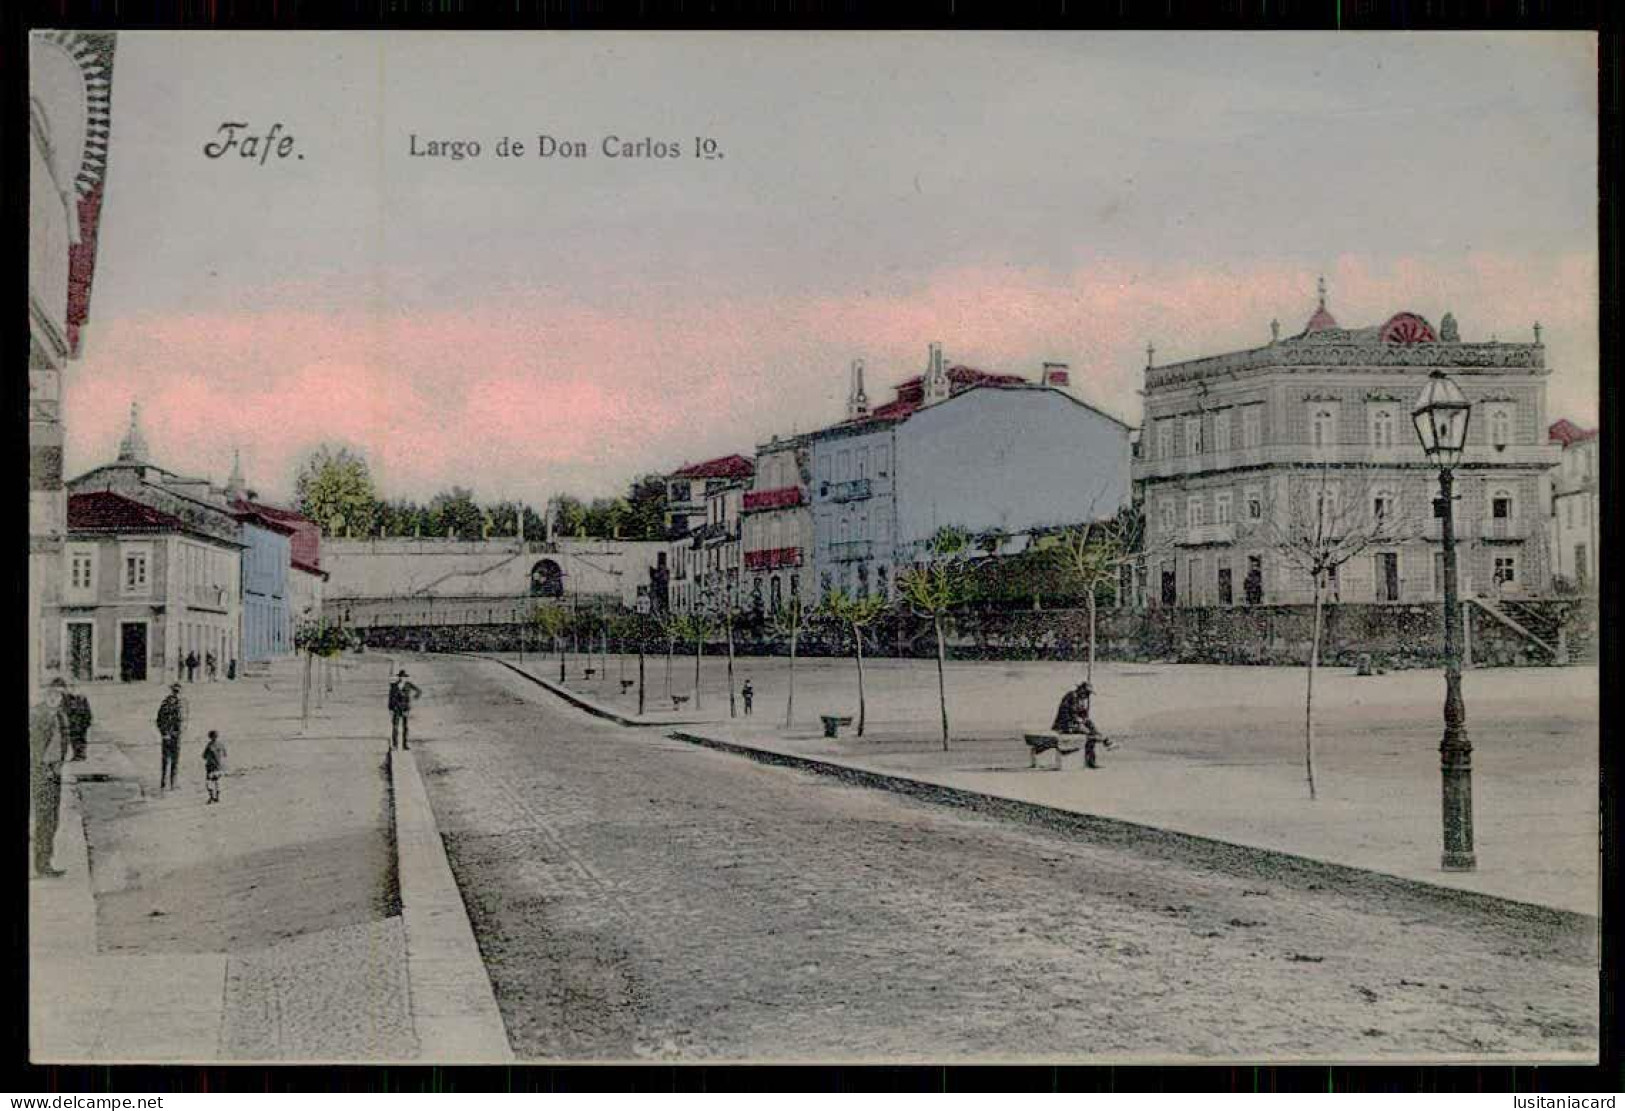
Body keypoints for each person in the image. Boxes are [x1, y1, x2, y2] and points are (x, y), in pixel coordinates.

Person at [30, 680, 71, 878]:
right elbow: (35, 748)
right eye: (52, 695)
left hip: (55, 772)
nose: (55, 698)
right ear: (45, 695)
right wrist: (41, 769)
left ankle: (47, 861)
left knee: (53, 820)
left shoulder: (60, 715)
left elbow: (64, 741)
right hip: (42, 773)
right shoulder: (36, 715)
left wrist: (59, 765)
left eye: (59, 695)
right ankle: (41, 864)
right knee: (43, 820)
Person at [1052, 679, 1112, 769]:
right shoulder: (1072, 696)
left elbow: (1083, 716)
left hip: (1073, 724)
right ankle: (1103, 741)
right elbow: (1072, 715)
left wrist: (1085, 718)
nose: (1087, 696)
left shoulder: (1080, 699)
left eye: (1088, 695)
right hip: (1064, 726)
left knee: (1091, 727)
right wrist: (1082, 722)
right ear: (1081, 690)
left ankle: (1102, 741)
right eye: (1087, 693)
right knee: (1090, 735)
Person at [156, 683, 187, 789]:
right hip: (168, 735)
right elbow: (159, 719)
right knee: (166, 760)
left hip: (176, 736)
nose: (176, 694)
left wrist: (181, 732)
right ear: (172, 691)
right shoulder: (166, 704)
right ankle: (164, 782)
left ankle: (173, 783)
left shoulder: (183, 703)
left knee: (175, 761)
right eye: (175, 691)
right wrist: (164, 733)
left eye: (178, 691)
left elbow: (184, 721)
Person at [388, 670, 423, 751]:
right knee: (395, 727)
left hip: (405, 709)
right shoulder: (394, 686)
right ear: (399, 677)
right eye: (401, 677)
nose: (402, 678)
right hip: (396, 708)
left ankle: (405, 744)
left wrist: (414, 698)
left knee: (405, 727)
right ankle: (395, 745)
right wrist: (390, 709)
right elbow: (390, 698)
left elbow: (419, 691)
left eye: (404, 677)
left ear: (405, 678)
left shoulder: (408, 685)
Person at [61, 679, 93, 762]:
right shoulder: (66, 698)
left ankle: (81, 755)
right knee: (74, 739)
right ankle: (77, 754)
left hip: (81, 722)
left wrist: (88, 721)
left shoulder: (82, 697)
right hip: (72, 722)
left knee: (81, 738)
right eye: (70, 686)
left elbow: (87, 710)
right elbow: (64, 710)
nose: (72, 688)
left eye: (73, 686)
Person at [202, 730, 227, 804]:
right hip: (219, 766)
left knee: (209, 781)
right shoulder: (221, 744)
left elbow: (204, 756)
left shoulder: (209, 745)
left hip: (211, 766)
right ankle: (218, 797)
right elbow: (225, 755)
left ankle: (211, 797)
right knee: (217, 781)